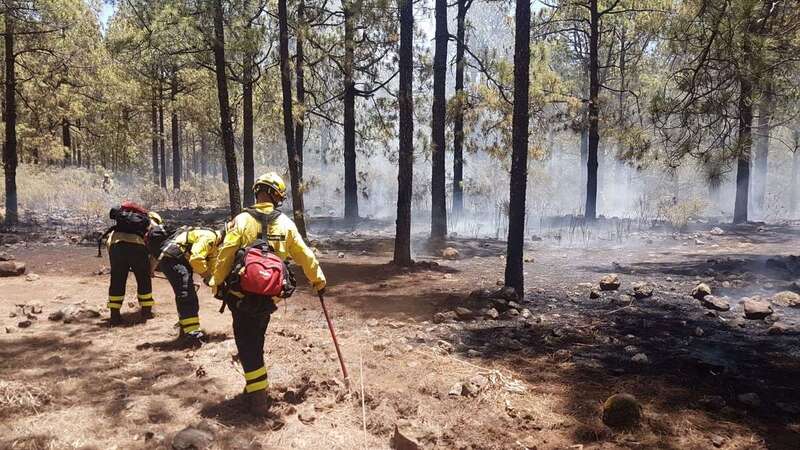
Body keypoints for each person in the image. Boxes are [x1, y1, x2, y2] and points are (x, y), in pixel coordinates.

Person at [209, 172, 326, 414]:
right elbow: (305, 254)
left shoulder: (241, 220)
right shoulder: (286, 224)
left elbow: (227, 252)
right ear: (277, 197)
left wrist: (216, 281)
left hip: (241, 295)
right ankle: (255, 387)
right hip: (269, 296)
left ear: (258, 192)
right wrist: (318, 280)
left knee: (246, 343)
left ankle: (258, 398)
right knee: (256, 340)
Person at [157, 226, 225, 345]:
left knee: (187, 294)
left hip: (177, 260)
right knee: (187, 294)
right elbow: (196, 259)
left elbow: (212, 267)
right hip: (172, 259)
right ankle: (192, 336)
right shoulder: (210, 237)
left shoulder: (214, 246)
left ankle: (186, 329)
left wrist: (216, 283)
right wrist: (206, 277)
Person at [107, 210, 163, 325]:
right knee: (143, 280)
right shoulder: (153, 226)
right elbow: (155, 254)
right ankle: (146, 313)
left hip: (115, 247)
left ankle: (114, 316)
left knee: (117, 281)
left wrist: (118, 263)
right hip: (137, 248)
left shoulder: (121, 224)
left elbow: (109, 243)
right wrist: (150, 270)